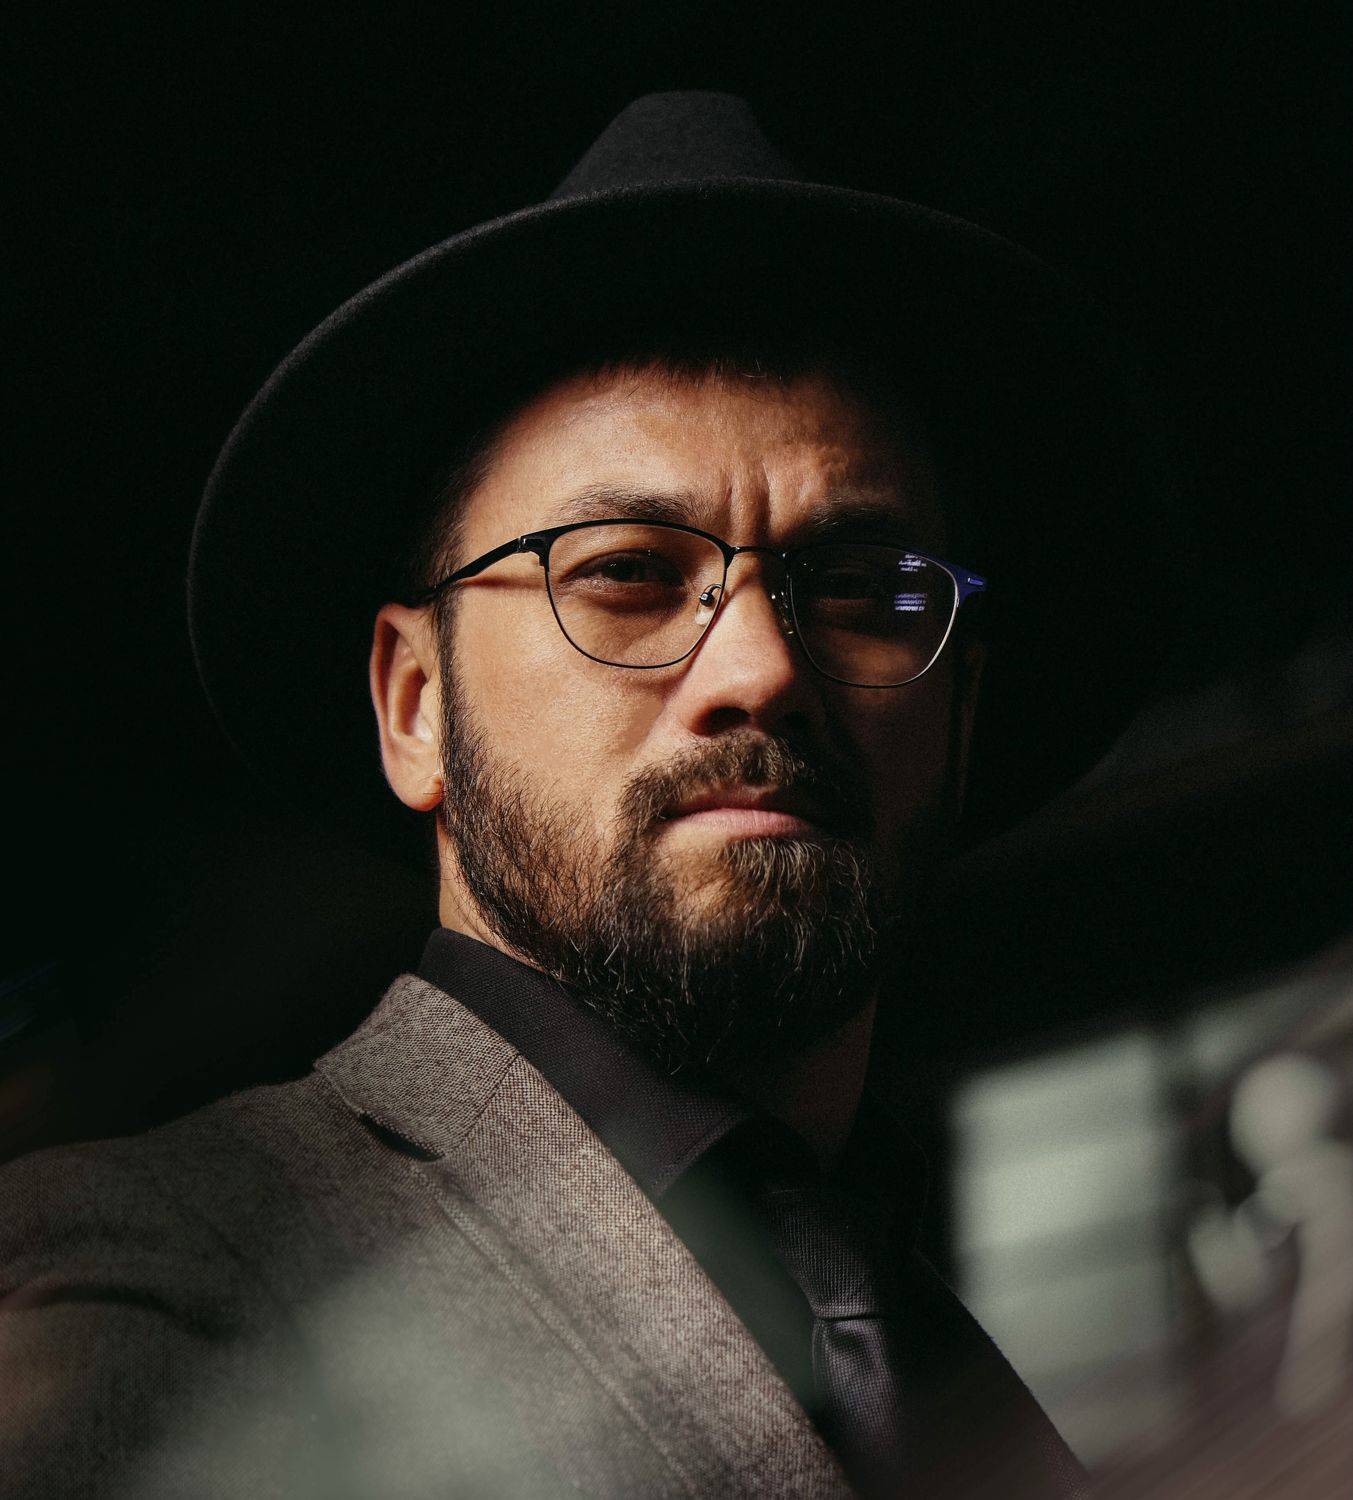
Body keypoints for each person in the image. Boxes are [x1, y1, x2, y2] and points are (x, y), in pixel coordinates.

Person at [0, 92, 1178, 1497]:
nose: (761, 669)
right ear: (415, 704)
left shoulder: (940, 1352)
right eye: (623, 572)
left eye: (861, 589)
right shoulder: (156, 1274)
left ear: (960, 717)